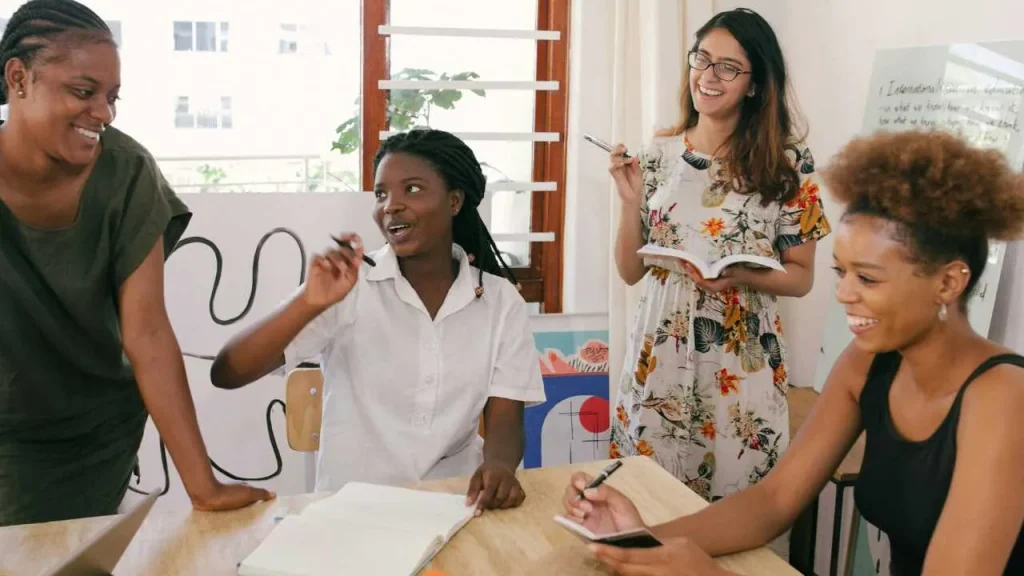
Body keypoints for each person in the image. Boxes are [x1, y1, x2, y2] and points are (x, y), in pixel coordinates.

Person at [562, 129, 1024, 576]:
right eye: (841, 272)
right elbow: (773, 501)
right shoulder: (867, 364)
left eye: (867, 278)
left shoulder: (1003, 397)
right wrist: (640, 538)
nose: (843, 294)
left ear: (948, 282)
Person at [0, 0, 273, 527]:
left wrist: (204, 488)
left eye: (112, 97)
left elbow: (146, 332)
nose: (104, 113)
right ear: (19, 79)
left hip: (94, 433)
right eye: (83, 92)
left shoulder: (127, 174)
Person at [211, 128, 545, 512]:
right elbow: (229, 372)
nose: (391, 206)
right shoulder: (350, 287)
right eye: (381, 194)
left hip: (456, 504)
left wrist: (499, 466)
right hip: (351, 510)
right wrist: (307, 302)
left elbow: (505, 416)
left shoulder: (500, 301)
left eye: (412, 189)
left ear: (454, 201)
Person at [608, 7, 829, 506]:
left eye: (729, 67)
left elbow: (801, 278)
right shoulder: (657, 153)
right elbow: (629, 271)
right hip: (659, 356)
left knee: (737, 510)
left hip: (740, 362)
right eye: (702, 59)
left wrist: (742, 275)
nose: (708, 76)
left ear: (755, 85)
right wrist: (628, 202)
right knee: (648, 507)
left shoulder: (789, 163)